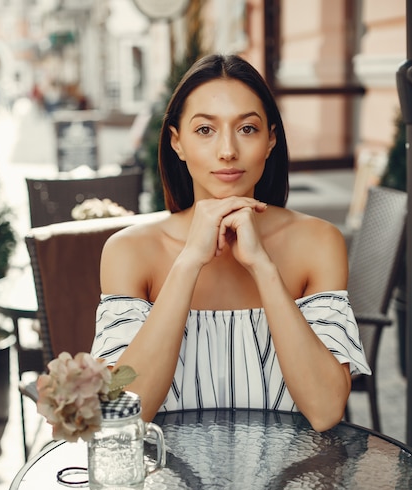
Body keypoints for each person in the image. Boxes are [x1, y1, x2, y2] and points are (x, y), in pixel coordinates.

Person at [91, 53, 370, 431]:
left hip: (294, 483)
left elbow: (325, 410)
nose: (227, 151)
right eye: (205, 130)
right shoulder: (130, 251)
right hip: (166, 485)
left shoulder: (318, 242)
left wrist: (263, 267)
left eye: (248, 129)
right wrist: (188, 261)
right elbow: (123, 413)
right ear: (177, 143)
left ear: (271, 140)